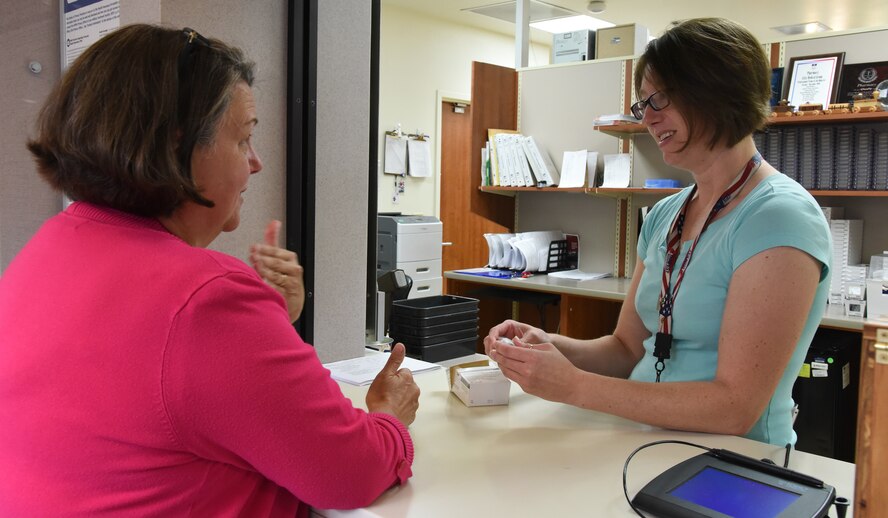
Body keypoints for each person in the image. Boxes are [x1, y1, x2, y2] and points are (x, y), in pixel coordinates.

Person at [0, 24, 419, 516]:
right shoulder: (205, 298)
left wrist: (266, 329)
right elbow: (349, 473)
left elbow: (147, 393)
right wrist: (389, 417)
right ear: (179, 146)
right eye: (244, 139)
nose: (256, 163)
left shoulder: (45, 250)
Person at [484, 18, 831, 447]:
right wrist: (548, 346)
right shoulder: (666, 214)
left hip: (734, 462)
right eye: (642, 104)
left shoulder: (779, 217)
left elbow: (735, 407)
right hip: (642, 444)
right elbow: (626, 349)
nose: (647, 118)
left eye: (660, 99)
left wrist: (573, 386)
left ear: (718, 91)